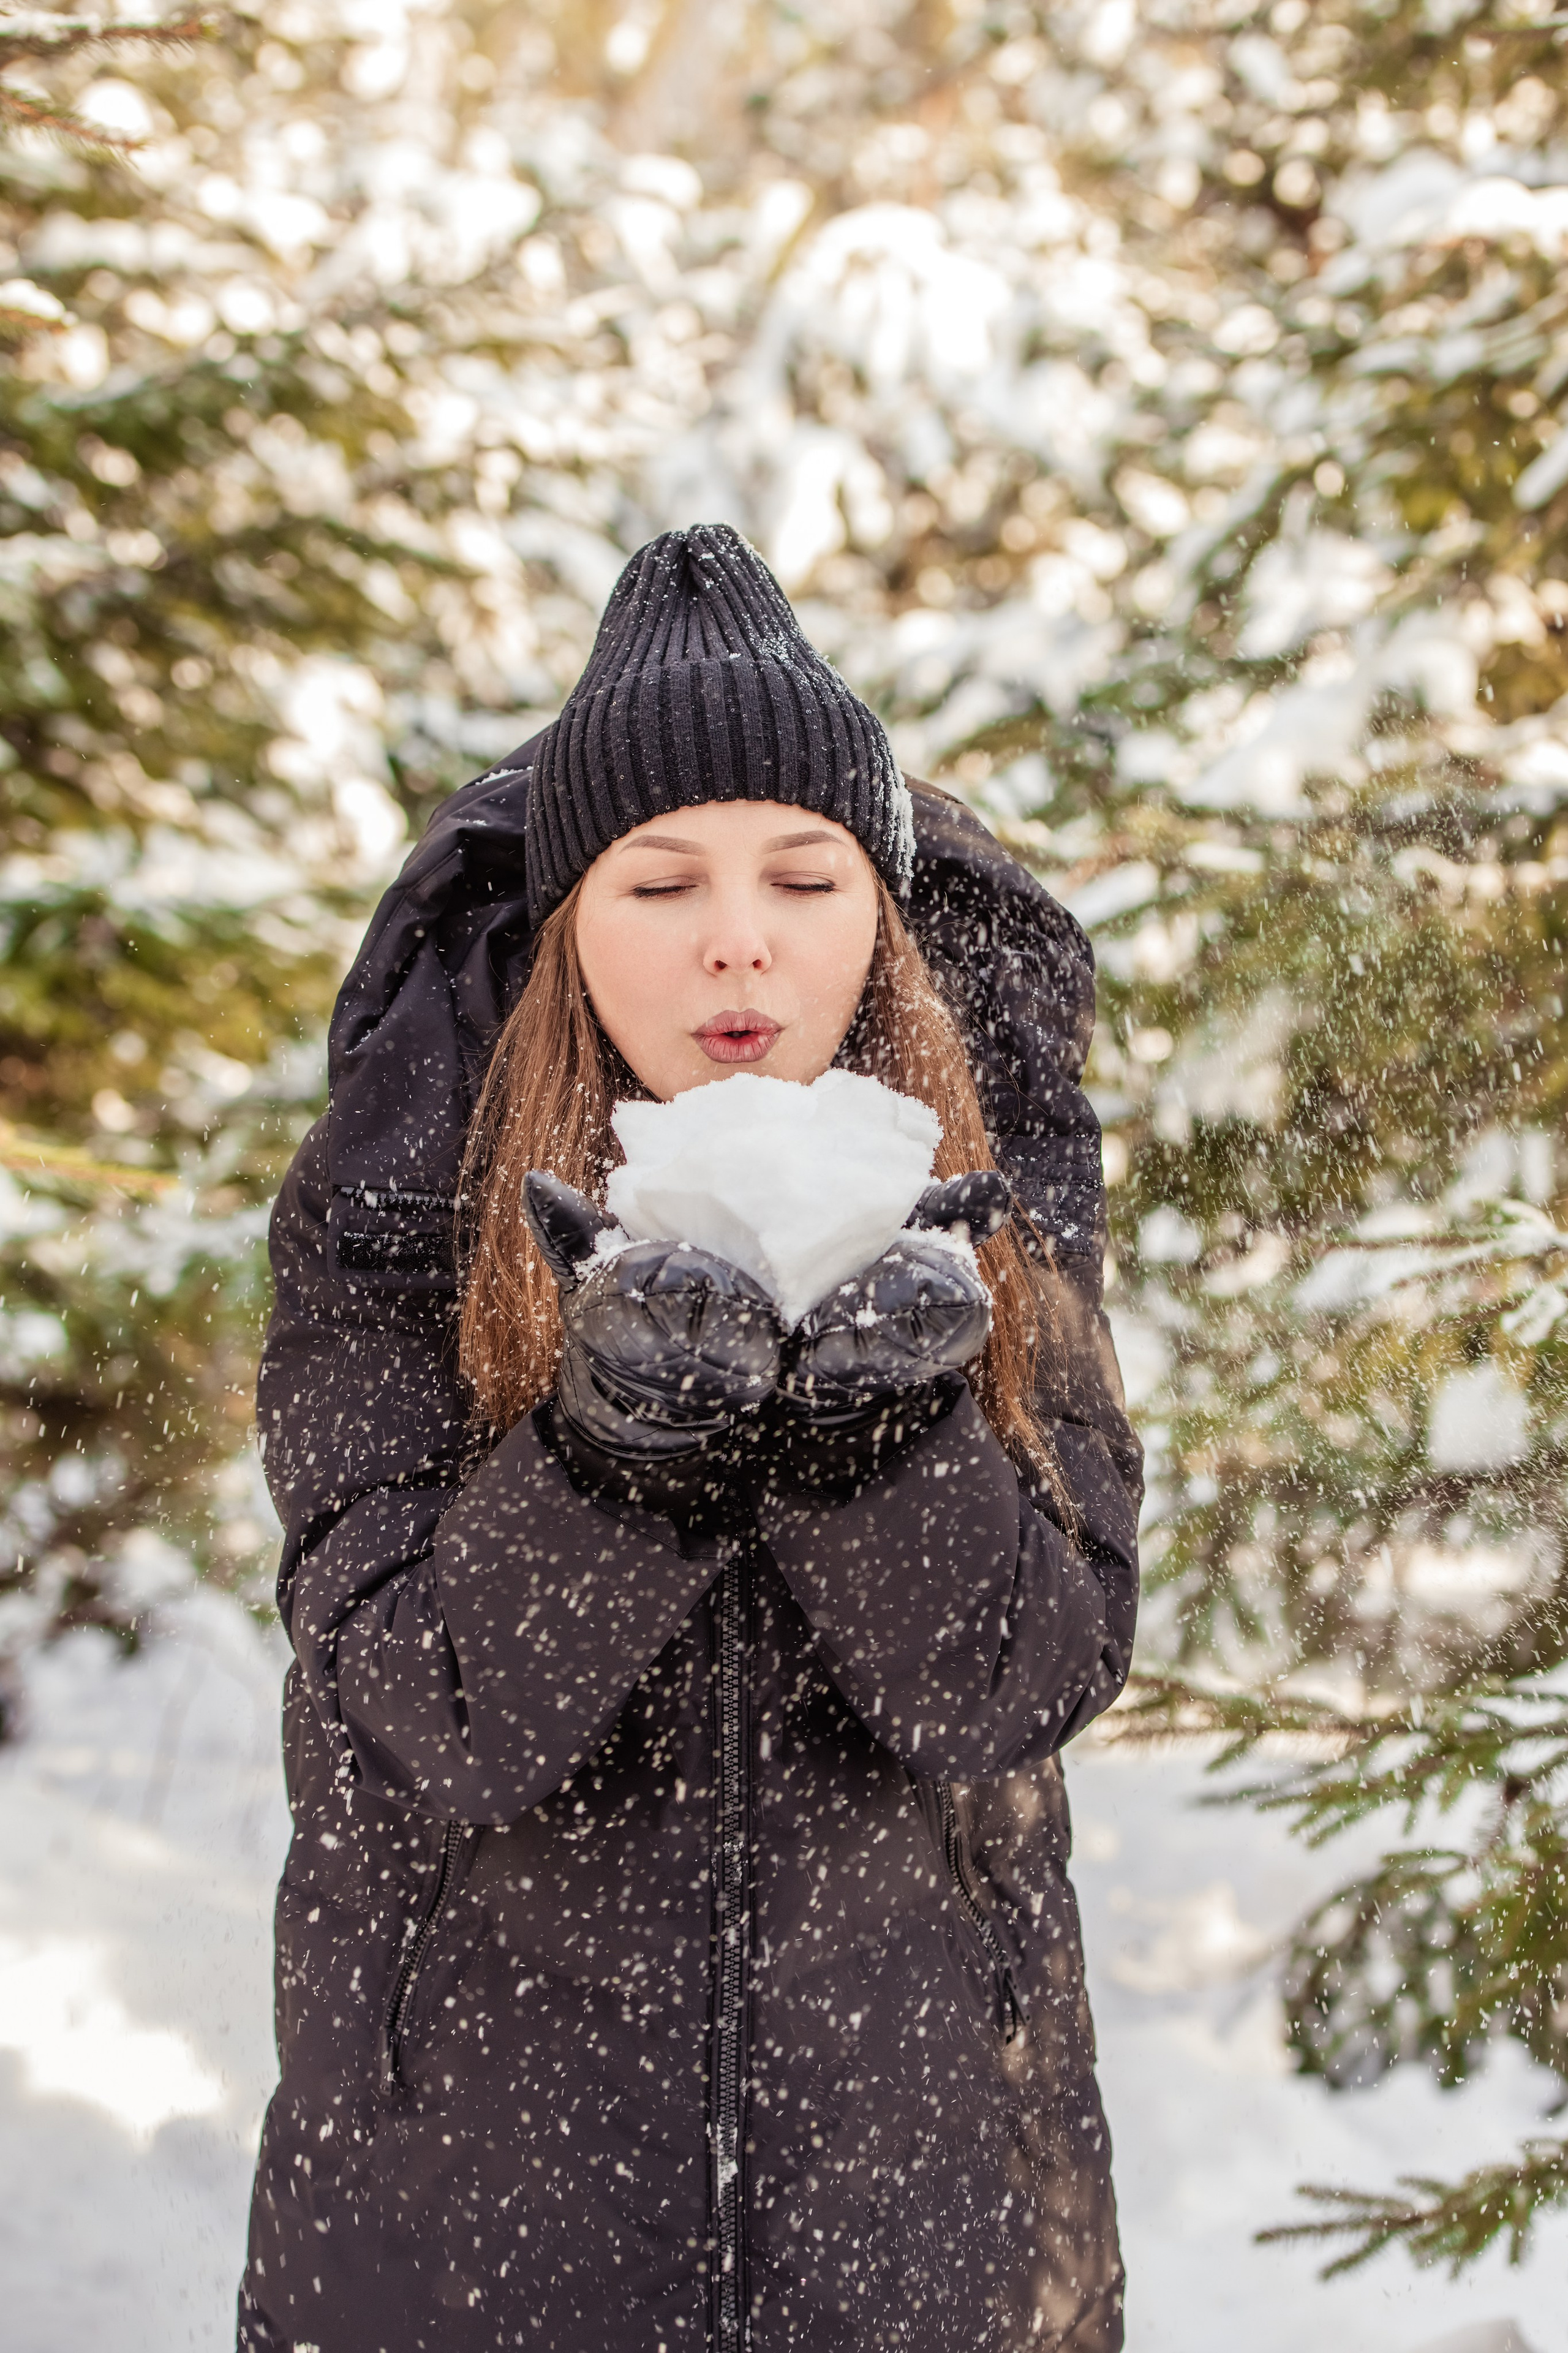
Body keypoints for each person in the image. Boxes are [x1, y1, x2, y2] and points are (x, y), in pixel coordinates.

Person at [238, 524, 1142, 2353]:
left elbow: (1028, 1671)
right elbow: (428, 1706)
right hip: (477, 2234)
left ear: (875, 916)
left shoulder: (983, 1213)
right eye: (660, 882)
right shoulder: (399, 1215)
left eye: (805, 875)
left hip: (914, 2217)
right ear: (570, 921)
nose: (739, 936)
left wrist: (884, 1445)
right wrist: (612, 1463)